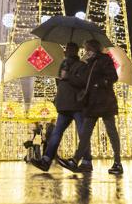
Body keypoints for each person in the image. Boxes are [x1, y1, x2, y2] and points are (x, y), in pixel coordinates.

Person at [57, 39, 123, 175]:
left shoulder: (104, 59)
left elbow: (113, 77)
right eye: (85, 50)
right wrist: (68, 76)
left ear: (94, 49)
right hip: (92, 103)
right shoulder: (88, 64)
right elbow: (82, 81)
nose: (86, 52)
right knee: (85, 133)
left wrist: (98, 84)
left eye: (88, 50)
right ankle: (75, 160)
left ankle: (117, 162)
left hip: (105, 102)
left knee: (111, 132)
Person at [31, 42, 93, 172]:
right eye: (66, 50)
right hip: (66, 104)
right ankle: (46, 160)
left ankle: (86, 161)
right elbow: (60, 83)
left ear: (74, 52)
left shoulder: (81, 66)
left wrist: (68, 77)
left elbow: (83, 82)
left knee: (81, 133)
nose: (66, 52)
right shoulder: (64, 65)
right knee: (57, 133)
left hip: (76, 104)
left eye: (69, 50)